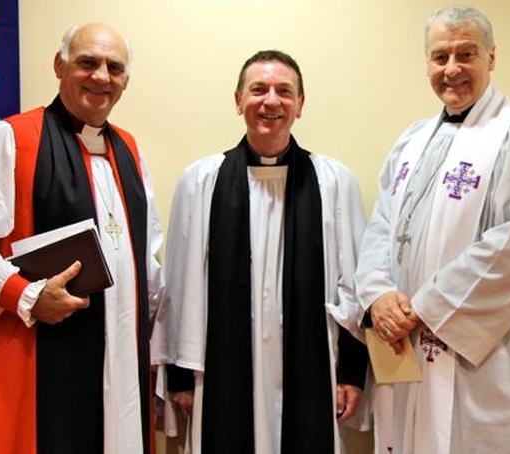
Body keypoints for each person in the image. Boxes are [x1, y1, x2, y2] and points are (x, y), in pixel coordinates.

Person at [0, 22, 163, 454]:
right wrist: (23, 293)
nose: (101, 77)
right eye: (87, 62)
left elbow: (144, 262)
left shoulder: (129, 150)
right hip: (35, 366)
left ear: (125, 80)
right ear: (59, 65)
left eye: (114, 67)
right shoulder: (11, 140)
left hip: (121, 368)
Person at [355, 6, 510, 454]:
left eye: (465, 54)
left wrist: (428, 306)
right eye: (439, 57)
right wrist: (377, 294)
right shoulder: (411, 140)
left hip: (485, 355)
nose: (451, 69)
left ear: (491, 57)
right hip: (406, 345)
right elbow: (383, 225)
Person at [151, 50, 370, 454]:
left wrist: (352, 373)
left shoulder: (335, 182)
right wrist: (180, 378)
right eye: (258, 90)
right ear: (238, 101)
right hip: (216, 371)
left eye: (284, 91)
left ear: (301, 105)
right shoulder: (201, 181)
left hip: (313, 368)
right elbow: (179, 287)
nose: (271, 101)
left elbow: (354, 285)